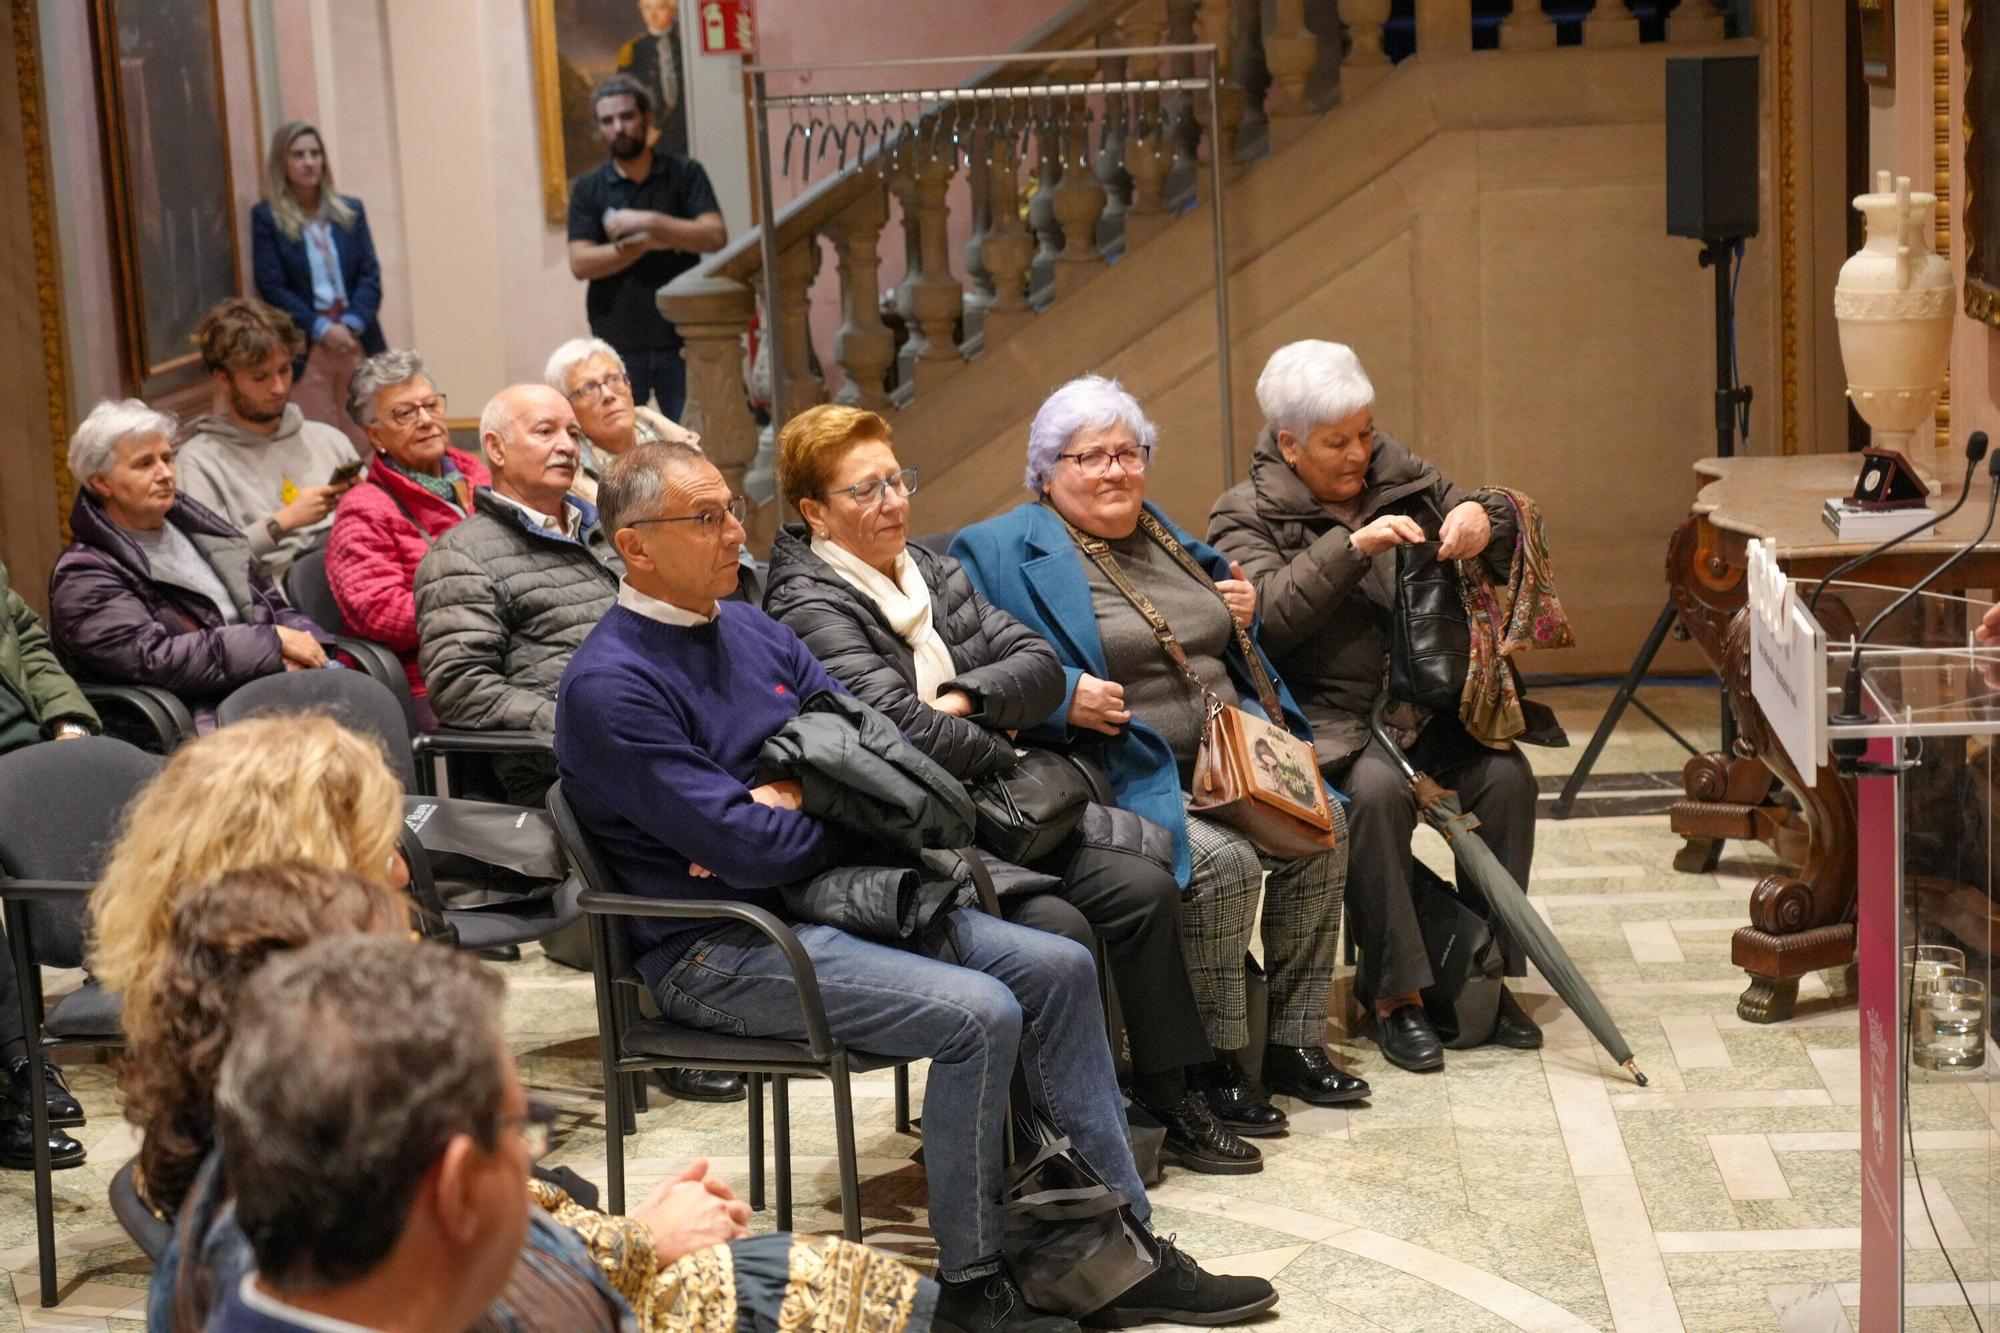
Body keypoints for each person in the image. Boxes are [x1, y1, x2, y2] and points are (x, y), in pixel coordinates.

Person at [557, 440, 1278, 1331]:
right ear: (634, 545)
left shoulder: (751, 628)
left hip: (842, 893)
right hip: (720, 943)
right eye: (704, 519)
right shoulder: (609, 684)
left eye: (730, 511)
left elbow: (881, 758)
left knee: (1055, 965)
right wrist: (820, 804)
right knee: (982, 1012)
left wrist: (800, 797)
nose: (732, 534)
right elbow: (743, 849)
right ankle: (975, 1285)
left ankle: (1118, 1249)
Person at [762, 404, 1256, 1175]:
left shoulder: (928, 568)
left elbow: (1032, 661)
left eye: (896, 480)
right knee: (1060, 924)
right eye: (865, 491)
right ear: (815, 511)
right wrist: (998, 735)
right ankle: (1059, 1137)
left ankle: (1168, 1093)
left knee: (1144, 887)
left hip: (994, 811)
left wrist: (964, 700)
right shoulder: (805, 603)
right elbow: (893, 734)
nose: (892, 502)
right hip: (912, 836)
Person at [138, 867, 929, 1333]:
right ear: (454, 1186)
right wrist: (642, 1242)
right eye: (522, 1126)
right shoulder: (531, 1306)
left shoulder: (241, 1202)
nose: (535, 1158)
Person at [952, 376, 1367, 1138]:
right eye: (1090, 457)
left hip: (1227, 758)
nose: (1115, 471)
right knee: (1221, 864)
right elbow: (974, 661)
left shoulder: (1158, 530)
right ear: (1046, 472)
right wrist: (1062, 692)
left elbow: (1212, 588)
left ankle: (1293, 1039)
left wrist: (1232, 600)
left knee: (1326, 825)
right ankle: (1212, 1059)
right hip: (1120, 771)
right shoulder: (999, 547)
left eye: (1128, 452)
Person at [1207, 341, 1541, 1072]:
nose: (1360, 451)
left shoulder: (1400, 471)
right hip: (1332, 725)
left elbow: (1481, 514)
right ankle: (1397, 996)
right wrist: (1351, 547)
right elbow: (1270, 619)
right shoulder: (1242, 512)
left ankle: (1484, 971)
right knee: (1377, 797)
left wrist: (1485, 520)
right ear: (1290, 444)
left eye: (1365, 430)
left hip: (1429, 709)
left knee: (1508, 779)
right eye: (1338, 441)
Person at [48, 400, 333, 721]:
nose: (166, 474)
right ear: (101, 482)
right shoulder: (84, 573)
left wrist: (310, 643)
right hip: (196, 713)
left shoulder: (196, 526)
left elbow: (269, 605)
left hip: (265, 680)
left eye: (167, 458)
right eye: (144, 464)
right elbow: (154, 659)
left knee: (360, 697)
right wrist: (271, 646)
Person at [327, 350, 490, 728]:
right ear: (374, 434)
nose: (427, 420)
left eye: (431, 405)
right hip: (431, 674)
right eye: (405, 413)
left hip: (503, 653)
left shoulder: (480, 477)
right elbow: (380, 613)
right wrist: (480, 605)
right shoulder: (364, 509)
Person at [0, 557, 97, 1171]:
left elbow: (31, 646)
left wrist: (66, 720)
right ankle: (21, 1061)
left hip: (23, 748)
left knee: (113, 787)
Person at [566, 75, 725, 422]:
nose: (619, 128)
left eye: (627, 116)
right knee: (621, 442)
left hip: (682, 334)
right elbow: (580, 262)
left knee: (691, 437)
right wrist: (644, 244)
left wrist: (648, 220)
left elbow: (714, 235)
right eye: (608, 121)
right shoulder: (589, 188)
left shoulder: (685, 173)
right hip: (617, 339)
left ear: (647, 117)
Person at [176, 297, 363, 581]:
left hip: (356, 575)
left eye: (284, 371)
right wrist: (284, 522)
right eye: (260, 377)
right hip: (277, 602)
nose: (278, 387)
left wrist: (363, 501)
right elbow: (211, 561)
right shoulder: (199, 461)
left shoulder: (329, 439)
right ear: (224, 379)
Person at [251, 120, 385, 441]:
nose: (309, 162)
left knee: (368, 432)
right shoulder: (267, 217)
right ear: (282, 163)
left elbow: (370, 275)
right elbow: (272, 286)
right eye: (298, 155)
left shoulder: (350, 211)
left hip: (357, 339)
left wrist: (351, 323)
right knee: (319, 435)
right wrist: (322, 329)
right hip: (307, 344)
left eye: (315, 153)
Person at [544, 337, 700, 506]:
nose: (608, 395)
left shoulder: (680, 442)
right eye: (589, 388)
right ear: (568, 408)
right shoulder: (569, 479)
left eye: (614, 379)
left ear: (629, 386)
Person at [615, 0, 689, 159]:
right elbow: (623, 97)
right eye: (647, 8)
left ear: (673, 11)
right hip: (651, 131)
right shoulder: (633, 50)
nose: (653, 15)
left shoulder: (685, 44)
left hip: (686, 127)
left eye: (660, 7)